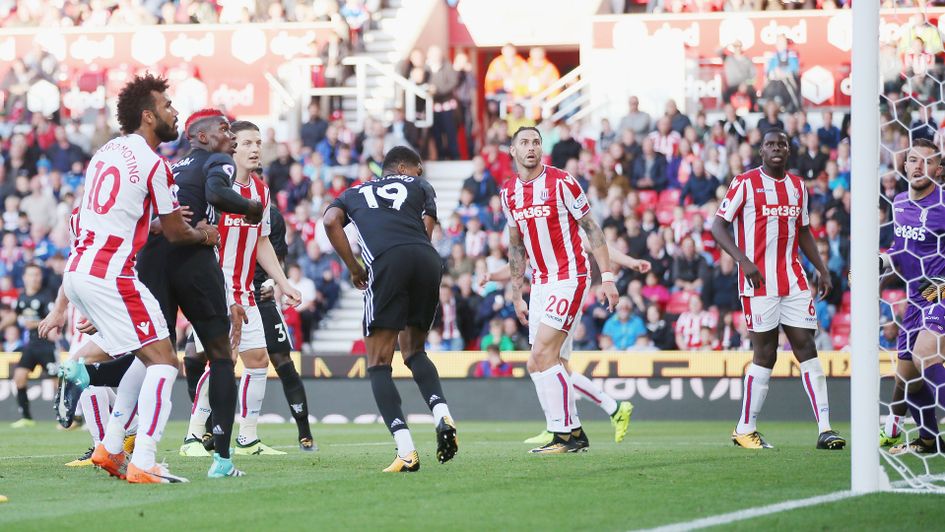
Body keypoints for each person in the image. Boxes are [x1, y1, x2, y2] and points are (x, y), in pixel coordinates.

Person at [59, 74, 219, 484]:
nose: (175, 112)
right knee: (165, 360)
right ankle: (143, 460)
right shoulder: (155, 164)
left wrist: (157, 222)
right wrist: (204, 233)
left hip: (80, 269)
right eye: (167, 106)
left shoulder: (104, 152)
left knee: (148, 354)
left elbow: (95, 216)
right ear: (148, 116)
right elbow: (180, 232)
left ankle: (110, 448)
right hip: (112, 273)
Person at [136, 107, 265, 478]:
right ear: (203, 137)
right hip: (193, 258)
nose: (232, 136)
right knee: (221, 356)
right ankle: (222, 460)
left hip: (152, 261)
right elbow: (218, 193)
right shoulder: (218, 160)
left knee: (149, 354)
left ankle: (114, 428)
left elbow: (143, 216)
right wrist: (250, 207)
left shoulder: (167, 167)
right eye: (225, 130)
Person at [323, 146, 458, 472]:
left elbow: (330, 221)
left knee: (379, 362)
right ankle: (442, 414)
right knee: (414, 351)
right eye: (418, 169)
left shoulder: (353, 191)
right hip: (427, 260)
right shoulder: (421, 187)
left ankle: (406, 450)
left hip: (387, 262)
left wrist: (354, 268)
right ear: (401, 167)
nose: (421, 175)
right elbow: (427, 230)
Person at [711, 128, 845, 451]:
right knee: (765, 354)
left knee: (806, 348)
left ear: (788, 150)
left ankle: (825, 428)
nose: (776, 148)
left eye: (781, 144)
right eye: (770, 144)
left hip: (794, 279)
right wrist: (744, 261)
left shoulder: (798, 186)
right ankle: (745, 428)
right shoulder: (744, 183)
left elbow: (803, 231)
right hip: (758, 283)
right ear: (761, 151)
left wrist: (822, 269)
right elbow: (717, 225)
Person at [178, 121, 303, 458]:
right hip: (214, 289)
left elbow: (261, 241)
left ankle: (247, 438)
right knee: (221, 361)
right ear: (231, 148)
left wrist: (284, 282)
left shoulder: (261, 192)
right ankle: (192, 437)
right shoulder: (217, 186)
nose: (255, 149)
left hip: (243, 291)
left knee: (258, 360)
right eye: (247, 142)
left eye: (258, 142)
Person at [501, 126, 619, 454]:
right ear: (513, 150)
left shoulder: (563, 182)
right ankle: (576, 429)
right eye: (524, 143)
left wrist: (606, 276)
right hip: (539, 283)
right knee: (540, 362)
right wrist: (516, 293)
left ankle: (565, 435)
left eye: (536, 142)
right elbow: (516, 246)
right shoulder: (508, 193)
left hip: (570, 276)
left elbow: (592, 230)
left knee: (543, 355)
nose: (531, 148)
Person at [479, 240, 648, 444]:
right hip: (541, 292)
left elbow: (596, 243)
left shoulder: (560, 221)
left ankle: (569, 424)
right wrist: (493, 276)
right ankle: (564, 424)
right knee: (538, 364)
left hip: (564, 289)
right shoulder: (530, 223)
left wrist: (630, 262)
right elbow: (518, 262)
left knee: (549, 362)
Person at [879, 138, 945, 455]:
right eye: (913, 159)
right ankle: (928, 439)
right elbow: (899, 250)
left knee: (924, 355)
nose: (918, 166)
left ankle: (896, 431)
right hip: (916, 298)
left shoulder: (943, 204)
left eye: (926, 161)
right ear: (904, 165)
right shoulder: (900, 202)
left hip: (940, 292)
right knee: (907, 378)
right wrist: (882, 261)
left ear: (938, 169)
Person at [6, 264, 56, 429]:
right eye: (31, 275)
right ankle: (26, 417)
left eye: (37, 275)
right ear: (25, 277)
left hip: (47, 346)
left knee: (58, 382)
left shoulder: (46, 296)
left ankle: (73, 417)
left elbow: (54, 319)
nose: (35, 278)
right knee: (19, 377)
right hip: (31, 346)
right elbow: (15, 314)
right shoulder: (22, 297)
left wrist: (34, 324)